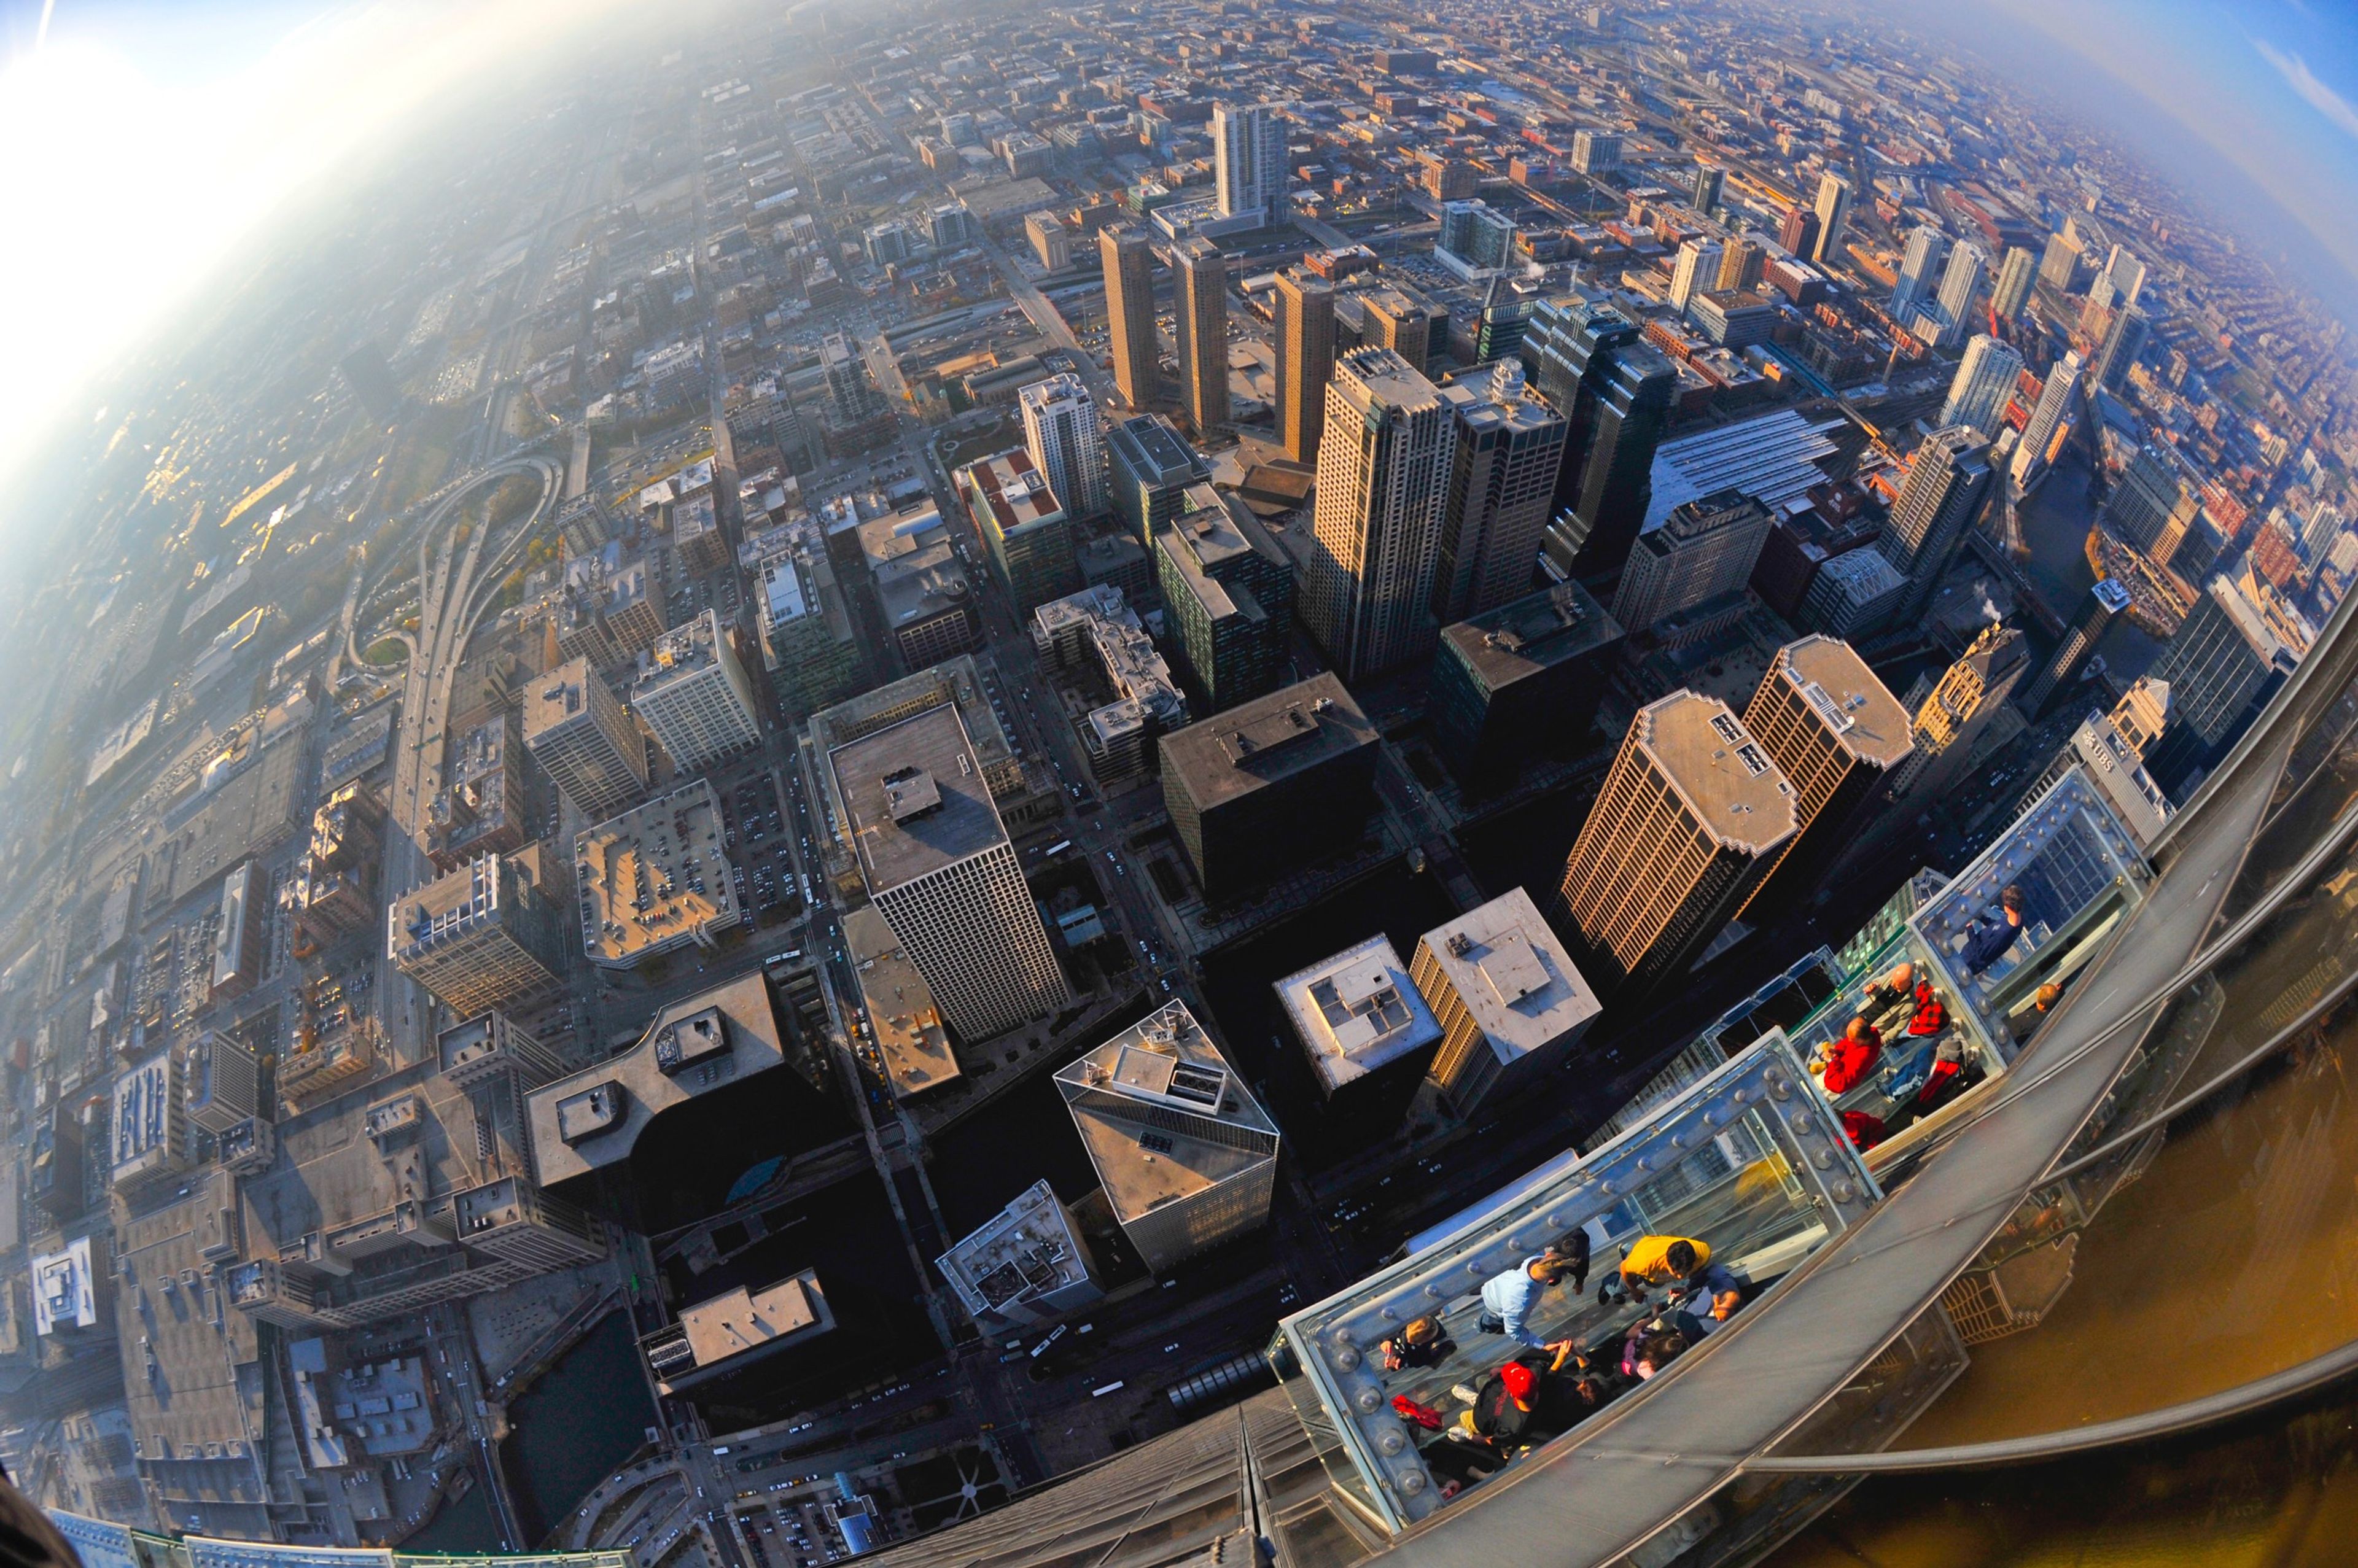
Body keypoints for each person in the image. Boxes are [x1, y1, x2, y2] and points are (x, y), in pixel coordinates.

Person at [1477, 1253, 1579, 1349]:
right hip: (1494, 1310)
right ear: (1551, 1280)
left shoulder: (1530, 1253)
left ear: (1548, 1255)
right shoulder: (1520, 1300)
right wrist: (1543, 1345)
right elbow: (1514, 1331)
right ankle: (1478, 1327)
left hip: (1490, 1283)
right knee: (1486, 1325)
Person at [1959, 884, 2029, 974]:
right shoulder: (2017, 919)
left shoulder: (2004, 935)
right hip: (1969, 956)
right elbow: (1996, 927)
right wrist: (1982, 918)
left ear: (2008, 907)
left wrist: (1969, 928)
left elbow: (1981, 953)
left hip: (1969, 962)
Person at [1811, 1015, 1883, 1096]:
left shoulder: (1864, 1058)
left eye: (1852, 1039)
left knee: (1812, 1094)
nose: (1849, 1040)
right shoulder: (1867, 1036)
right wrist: (1836, 1051)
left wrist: (1832, 1062)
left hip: (1834, 1082)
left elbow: (1840, 1085)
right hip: (1835, 1067)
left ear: (1861, 1040)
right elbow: (1846, 1044)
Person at [1380, 1314, 1455, 1372]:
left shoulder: (1441, 1346)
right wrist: (1387, 1340)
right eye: (1408, 1336)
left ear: (1427, 1340)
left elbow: (1423, 1361)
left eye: (1416, 1342)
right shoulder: (1410, 1316)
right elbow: (1391, 1324)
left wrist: (1405, 1361)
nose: (1409, 1341)